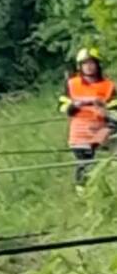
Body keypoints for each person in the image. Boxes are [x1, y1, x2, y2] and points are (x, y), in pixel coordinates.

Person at [59, 47, 117, 191]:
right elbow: (63, 106)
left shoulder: (109, 85)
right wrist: (76, 105)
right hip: (80, 130)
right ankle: (83, 192)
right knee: (84, 163)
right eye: (85, 63)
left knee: (112, 157)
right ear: (80, 66)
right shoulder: (72, 84)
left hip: (103, 128)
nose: (89, 67)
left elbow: (114, 109)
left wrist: (106, 112)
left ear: (98, 65)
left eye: (92, 63)